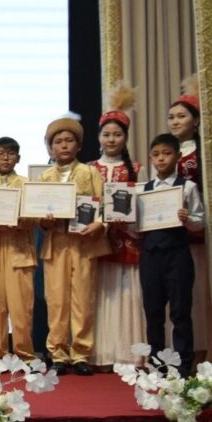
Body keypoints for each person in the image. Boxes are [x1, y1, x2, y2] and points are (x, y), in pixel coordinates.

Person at [38, 115, 110, 376]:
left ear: (78, 146)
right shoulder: (45, 177)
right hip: (56, 243)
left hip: (83, 243)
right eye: (58, 142)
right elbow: (37, 214)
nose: (64, 145)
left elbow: (106, 206)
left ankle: (81, 353)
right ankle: (58, 353)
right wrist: (44, 220)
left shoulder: (90, 173)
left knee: (83, 299)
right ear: (51, 148)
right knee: (56, 301)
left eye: (69, 140)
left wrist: (100, 224)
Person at [88, 84, 145, 368]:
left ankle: (128, 354)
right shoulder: (89, 168)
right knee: (99, 297)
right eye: (106, 134)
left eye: (117, 134)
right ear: (99, 137)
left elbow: (143, 209)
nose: (111, 139)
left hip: (128, 242)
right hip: (96, 243)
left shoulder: (138, 168)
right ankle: (101, 354)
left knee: (127, 296)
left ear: (126, 137)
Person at [140, 133, 205, 376]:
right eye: (156, 155)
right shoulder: (144, 190)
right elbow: (136, 227)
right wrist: (124, 219)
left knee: (180, 311)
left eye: (166, 154)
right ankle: (158, 364)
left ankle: (184, 365)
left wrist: (187, 219)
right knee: (153, 312)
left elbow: (200, 222)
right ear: (150, 158)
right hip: (150, 256)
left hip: (177, 255)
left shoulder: (187, 187)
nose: (161, 159)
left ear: (177, 156)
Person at [0, 137, 37, 361]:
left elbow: (35, 218)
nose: (5, 158)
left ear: (18, 158)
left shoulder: (26, 185)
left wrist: (18, 220)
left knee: (21, 308)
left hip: (19, 252)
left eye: (10, 154)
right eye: (1, 153)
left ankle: (24, 354)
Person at [166, 75, 211, 364]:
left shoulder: (203, 151)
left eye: (181, 116)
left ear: (196, 120)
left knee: (200, 292)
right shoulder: (165, 151)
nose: (175, 121)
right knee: (180, 296)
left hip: (197, 231)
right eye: (171, 117)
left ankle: (203, 350)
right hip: (172, 234)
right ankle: (182, 352)